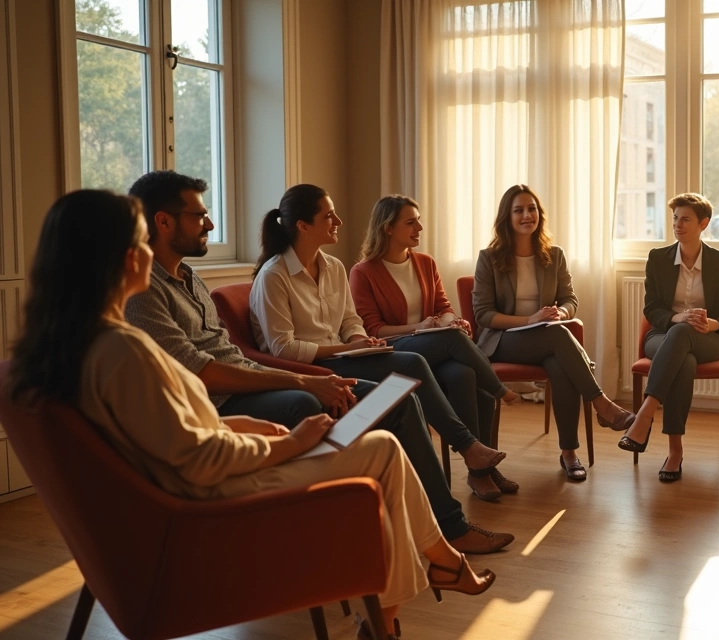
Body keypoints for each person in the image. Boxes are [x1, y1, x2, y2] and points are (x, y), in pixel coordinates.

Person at [6, 190, 498, 637]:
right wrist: (290, 443)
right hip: (214, 502)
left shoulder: (72, 348)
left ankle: (411, 595)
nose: (148, 254)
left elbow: (168, 433)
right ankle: (433, 570)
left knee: (379, 441)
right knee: (382, 452)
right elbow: (202, 459)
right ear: (121, 256)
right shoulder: (124, 350)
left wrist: (240, 425)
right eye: (140, 242)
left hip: (201, 480)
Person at [124, 171, 512, 554]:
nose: (210, 224)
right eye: (199, 216)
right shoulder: (144, 291)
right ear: (164, 221)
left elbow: (235, 351)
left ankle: (441, 525)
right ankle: (367, 518)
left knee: (400, 398)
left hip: (268, 376)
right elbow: (204, 372)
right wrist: (303, 380)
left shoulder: (190, 278)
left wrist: (356, 345)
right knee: (313, 400)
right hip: (226, 401)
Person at [248, 184, 511, 494]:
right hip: (314, 367)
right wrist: (349, 346)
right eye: (329, 216)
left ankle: (474, 460)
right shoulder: (274, 276)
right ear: (303, 226)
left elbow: (351, 321)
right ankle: (471, 445)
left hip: (346, 356)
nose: (339, 221)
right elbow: (283, 349)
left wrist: (361, 341)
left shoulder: (333, 267)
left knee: (449, 370)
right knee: (414, 362)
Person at [351, 195, 522, 501]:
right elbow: (373, 329)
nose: (419, 227)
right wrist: (421, 327)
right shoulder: (363, 272)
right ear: (388, 228)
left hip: (435, 346)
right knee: (455, 342)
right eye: (411, 222)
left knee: (464, 374)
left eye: (418, 220)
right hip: (397, 348)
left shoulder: (425, 263)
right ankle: (499, 390)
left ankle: (480, 470)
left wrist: (451, 320)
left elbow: (443, 306)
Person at [472, 184, 635, 481]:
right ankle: (602, 404)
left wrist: (562, 313)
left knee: (561, 365)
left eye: (532, 209)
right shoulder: (489, 257)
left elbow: (569, 299)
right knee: (558, 337)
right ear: (507, 217)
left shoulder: (554, 255)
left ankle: (569, 453)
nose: (527, 215)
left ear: (540, 214)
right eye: (519, 210)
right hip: (502, 341)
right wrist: (529, 319)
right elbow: (483, 314)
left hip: (545, 339)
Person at [618, 193, 719, 481]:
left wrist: (709, 324)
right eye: (675, 218)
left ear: (703, 224)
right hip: (662, 334)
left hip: (708, 339)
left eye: (685, 219)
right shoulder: (657, 258)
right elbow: (651, 308)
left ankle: (645, 414)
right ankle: (675, 452)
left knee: (684, 335)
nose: (677, 224)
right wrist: (678, 318)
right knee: (683, 358)